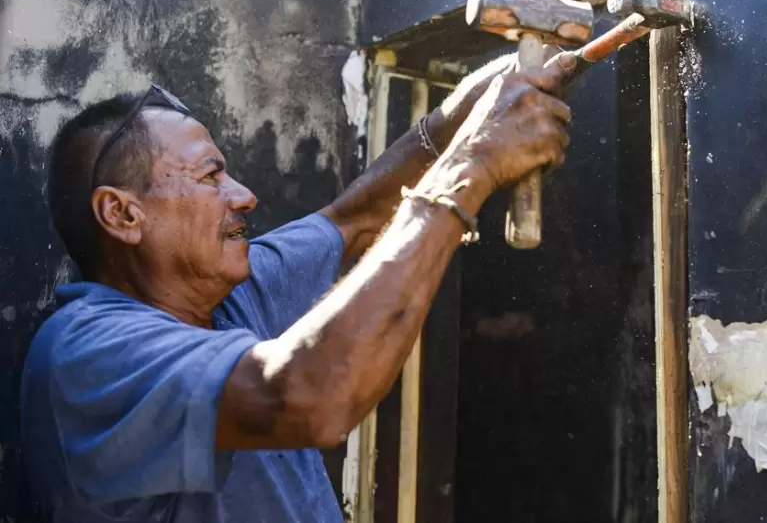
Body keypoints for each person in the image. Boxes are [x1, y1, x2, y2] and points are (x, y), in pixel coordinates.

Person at [20, 49, 575, 522]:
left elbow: (356, 219)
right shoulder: (87, 353)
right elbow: (311, 397)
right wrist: (471, 167)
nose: (244, 196)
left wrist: (473, 107)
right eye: (211, 176)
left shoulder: (229, 297)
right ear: (122, 214)